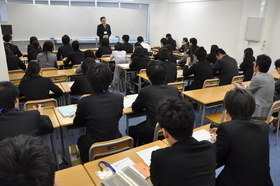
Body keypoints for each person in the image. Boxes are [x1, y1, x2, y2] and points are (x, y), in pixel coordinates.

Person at [212, 88, 273, 186]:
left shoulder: (226, 128)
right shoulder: (263, 127)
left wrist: (215, 140)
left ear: (227, 110)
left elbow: (217, 159)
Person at [150, 97, 215, 186]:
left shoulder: (159, 157)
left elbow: (156, 182)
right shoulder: (209, 148)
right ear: (193, 126)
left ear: (165, 132)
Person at [73, 63, 123, 163]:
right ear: (110, 79)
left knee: (80, 140)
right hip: (117, 145)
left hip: (94, 150)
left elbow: (77, 123)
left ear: (89, 80)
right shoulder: (119, 98)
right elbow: (119, 115)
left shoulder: (84, 101)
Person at [129, 60, 179, 146]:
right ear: (165, 75)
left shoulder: (145, 91)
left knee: (130, 129)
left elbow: (135, 108)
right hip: (172, 130)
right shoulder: (174, 90)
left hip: (152, 132)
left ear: (148, 76)